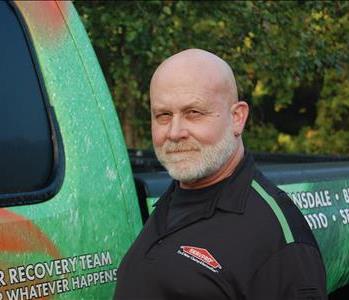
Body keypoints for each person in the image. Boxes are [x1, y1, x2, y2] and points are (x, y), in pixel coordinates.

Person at [115, 49, 327, 300]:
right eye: (163, 115)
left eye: (193, 113)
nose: (174, 132)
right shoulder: (173, 201)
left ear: (237, 118)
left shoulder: (278, 240)